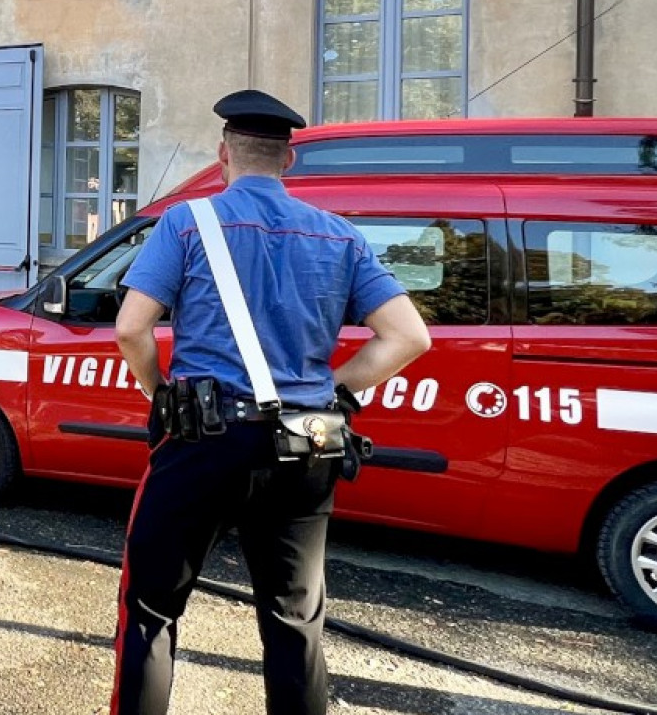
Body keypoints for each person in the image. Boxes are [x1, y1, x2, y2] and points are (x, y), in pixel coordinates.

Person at [108, 90, 433, 715]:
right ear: (288, 161)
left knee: (151, 609)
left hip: (202, 438)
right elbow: (408, 336)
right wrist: (336, 390)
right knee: (295, 620)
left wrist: (161, 396)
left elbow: (130, 328)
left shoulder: (186, 221)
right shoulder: (341, 236)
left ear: (223, 154)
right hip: (304, 445)